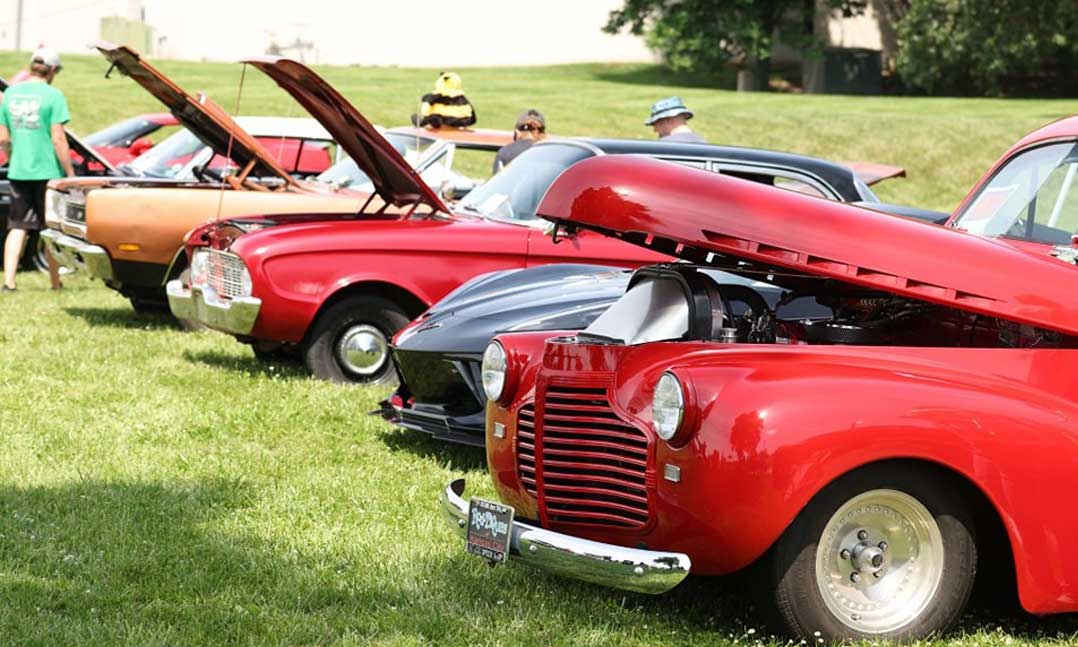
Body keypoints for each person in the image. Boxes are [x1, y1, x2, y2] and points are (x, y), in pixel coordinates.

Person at [0, 47, 72, 291]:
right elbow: (58, 139)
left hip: (18, 171)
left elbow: (3, 138)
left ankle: (9, 281)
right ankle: (55, 282)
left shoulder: (9, 94)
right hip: (47, 172)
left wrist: (13, 158)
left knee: (17, 226)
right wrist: (70, 174)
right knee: (49, 229)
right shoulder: (53, 96)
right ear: (52, 71)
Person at [412, 72, 476, 129]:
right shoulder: (461, 96)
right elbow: (471, 113)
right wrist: (471, 120)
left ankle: (426, 122)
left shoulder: (438, 95)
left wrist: (425, 98)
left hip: (443, 120)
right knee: (435, 118)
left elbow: (428, 102)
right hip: (462, 121)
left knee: (434, 118)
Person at [492, 109, 546, 174]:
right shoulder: (552, 154)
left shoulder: (504, 153)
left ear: (517, 131)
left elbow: (498, 182)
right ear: (542, 133)